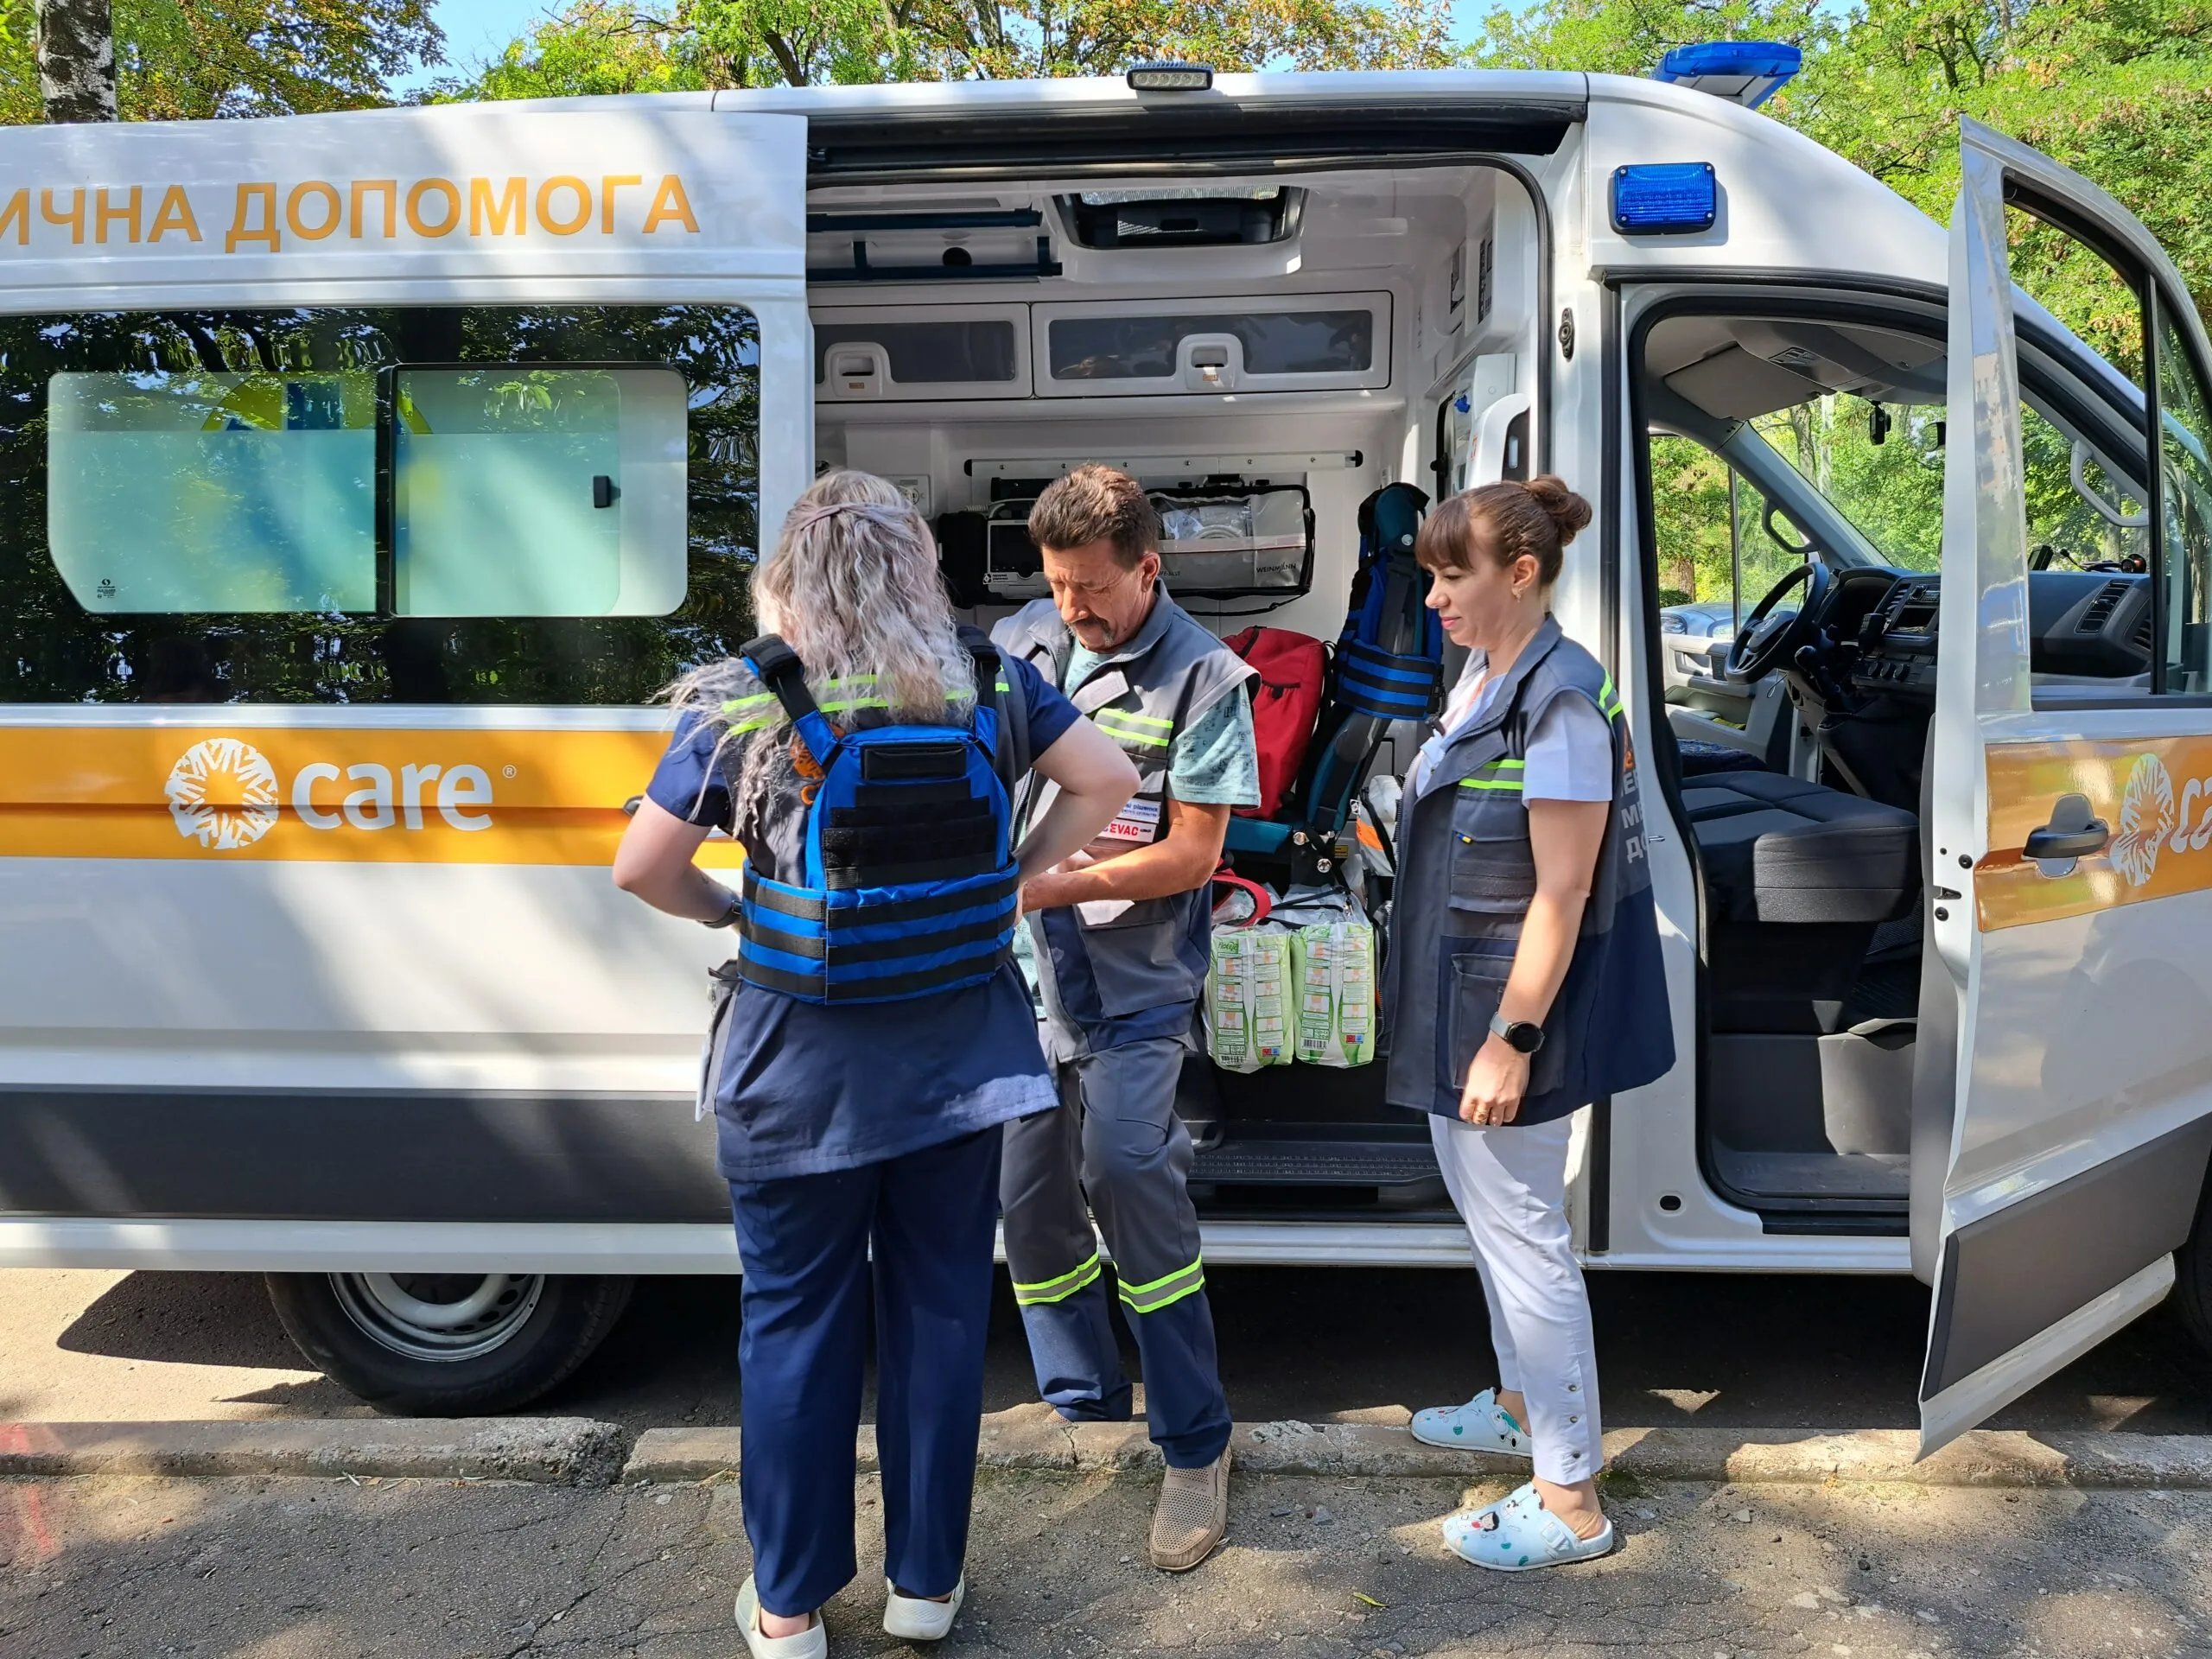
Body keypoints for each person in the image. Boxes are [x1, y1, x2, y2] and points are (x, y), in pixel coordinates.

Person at [613, 470, 1136, 1658]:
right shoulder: (988, 680)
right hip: (962, 1067)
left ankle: (790, 1609)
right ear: (916, 569)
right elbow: (1107, 780)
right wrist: (1014, 872)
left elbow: (641, 867)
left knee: (795, 1324)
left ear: (789, 577)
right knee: (941, 1315)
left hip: (793, 1075)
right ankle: (926, 1589)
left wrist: (723, 914)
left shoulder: (748, 698)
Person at [1385, 477, 1673, 1572]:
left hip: (1501, 1009)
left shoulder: (1557, 699)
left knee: (1527, 1244)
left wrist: (1510, 1042)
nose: (1436, 598)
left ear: (1520, 574)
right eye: (1429, 576)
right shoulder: (1488, 674)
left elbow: (1560, 893)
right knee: (1492, 1226)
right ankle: (1516, 1408)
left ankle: (1571, 1502)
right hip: (1457, 991)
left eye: (1452, 576)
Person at [993, 464, 1260, 1573]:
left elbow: (1195, 853)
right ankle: (1086, 1407)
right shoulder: (1019, 643)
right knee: (1026, 1204)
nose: (1073, 610)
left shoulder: (1204, 678)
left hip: (1135, 990)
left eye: (1092, 588)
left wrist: (1042, 883)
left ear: (1148, 569)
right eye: (1057, 586)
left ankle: (1196, 1444)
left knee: (1127, 1178)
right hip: (1019, 984)